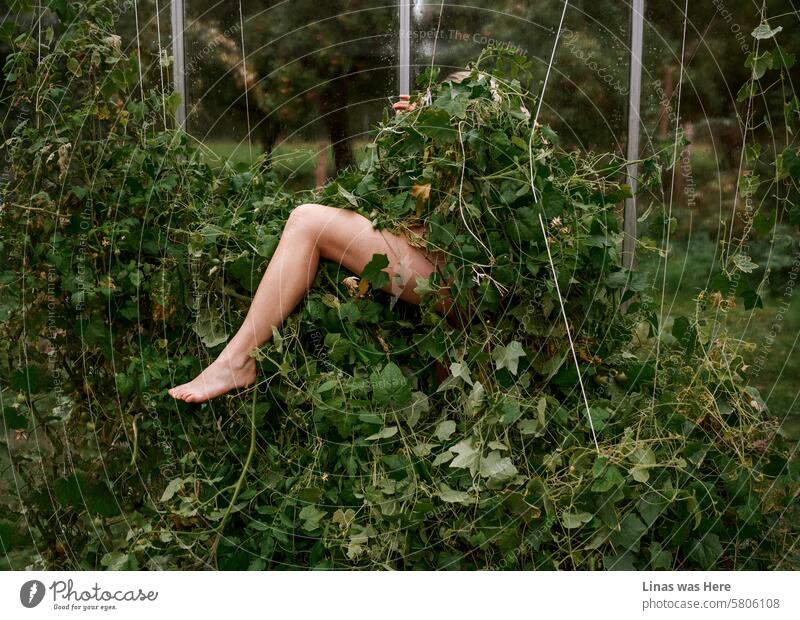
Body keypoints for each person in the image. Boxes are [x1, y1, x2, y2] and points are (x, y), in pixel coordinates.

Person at [168, 72, 470, 403]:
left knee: (308, 221)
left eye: (445, 104)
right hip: (445, 272)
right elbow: (418, 218)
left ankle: (236, 361)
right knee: (313, 221)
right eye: (436, 101)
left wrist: (435, 131)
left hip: (462, 280)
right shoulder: (441, 149)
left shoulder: (499, 151)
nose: (434, 109)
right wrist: (419, 137)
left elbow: (452, 228)